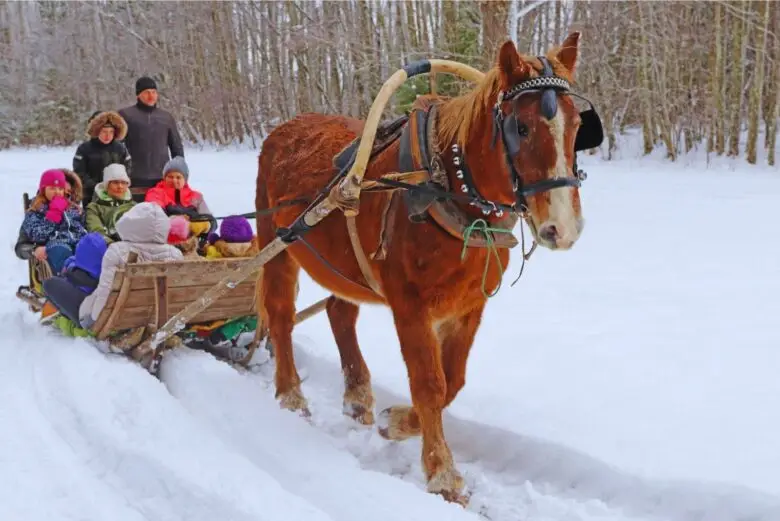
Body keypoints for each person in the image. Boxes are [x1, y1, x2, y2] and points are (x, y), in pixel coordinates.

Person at [79, 202, 183, 329]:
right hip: (158, 317)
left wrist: (93, 318)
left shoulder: (116, 251)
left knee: (53, 285)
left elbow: (105, 292)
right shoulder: (175, 254)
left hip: (116, 320)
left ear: (129, 224)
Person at [118, 76, 184, 202]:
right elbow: (116, 147)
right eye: (147, 92)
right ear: (138, 95)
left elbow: (176, 147)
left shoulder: (166, 117)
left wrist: (180, 173)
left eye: (154, 92)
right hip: (134, 177)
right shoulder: (126, 115)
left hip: (162, 176)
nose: (151, 95)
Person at [19, 169, 87, 274]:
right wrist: (52, 217)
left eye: (60, 188)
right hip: (57, 248)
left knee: (93, 245)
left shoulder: (73, 209)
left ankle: (91, 277)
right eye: (52, 188)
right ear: (43, 189)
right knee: (60, 249)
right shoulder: (36, 210)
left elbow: (83, 229)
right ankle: (72, 277)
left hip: (77, 245)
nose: (57, 192)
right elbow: (35, 236)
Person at [41, 232, 108, 329]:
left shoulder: (78, 273)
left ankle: (65, 318)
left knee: (49, 284)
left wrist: (69, 265)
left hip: (87, 312)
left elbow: (72, 272)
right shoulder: (108, 262)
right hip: (104, 302)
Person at [144, 156, 213, 238]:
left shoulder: (196, 196)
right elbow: (155, 216)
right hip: (165, 239)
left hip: (193, 240)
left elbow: (211, 220)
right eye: (170, 177)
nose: (174, 180)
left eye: (178, 177)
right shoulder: (155, 193)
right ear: (164, 178)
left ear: (185, 179)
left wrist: (205, 225)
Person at [73, 111, 131, 206]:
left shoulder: (120, 148)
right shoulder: (84, 148)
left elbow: (127, 168)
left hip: (117, 194)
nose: (107, 136)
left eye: (111, 132)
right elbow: (80, 172)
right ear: (96, 131)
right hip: (91, 196)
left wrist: (118, 185)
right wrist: (99, 187)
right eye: (104, 131)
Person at [85, 163, 137, 244]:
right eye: (115, 182)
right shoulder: (94, 208)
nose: (120, 186)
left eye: (123, 182)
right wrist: (113, 246)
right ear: (107, 185)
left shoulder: (135, 207)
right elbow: (96, 231)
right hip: (107, 249)